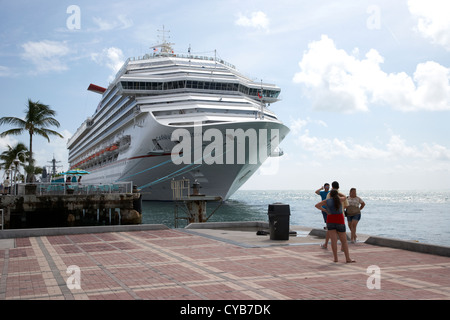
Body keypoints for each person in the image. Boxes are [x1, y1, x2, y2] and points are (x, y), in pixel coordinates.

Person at [315, 189, 355, 263]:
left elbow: (317, 205)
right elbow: (345, 197)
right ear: (337, 194)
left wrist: (325, 211)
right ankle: (347, 258)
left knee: (333, 241)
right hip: (340, 220)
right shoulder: (340, 199)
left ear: (330, 195)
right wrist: (339, 193)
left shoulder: (327, 201)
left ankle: (335, 258)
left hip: (330, 220)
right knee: (344, 241)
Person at [315, 183, 330, 248]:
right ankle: (327, 225)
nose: (327, 187)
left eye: (328, 186)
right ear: (324, 187)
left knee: (329, 218)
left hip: (329, 207)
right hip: (323, 207)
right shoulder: (322, 192)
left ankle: (328, 226)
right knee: (326, 219)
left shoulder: (330, 192)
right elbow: (316, 192)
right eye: (326, 186)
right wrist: (321, 188)